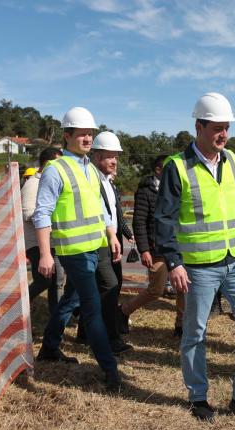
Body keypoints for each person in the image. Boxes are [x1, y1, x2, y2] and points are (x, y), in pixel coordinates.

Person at [154, 92, 235, 423]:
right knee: (195, 332)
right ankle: (198, 396)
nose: (223, 135)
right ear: (199, 127)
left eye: (227, 128)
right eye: (217, 128)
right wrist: (174, 262)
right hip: (199, 267)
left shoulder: (233, 161)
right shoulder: (177, 167)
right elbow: (163, 220)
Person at [32, 106, 123, 392]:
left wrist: (112, 235)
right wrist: (46, 254)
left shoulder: (91, 170)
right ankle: (109, 368)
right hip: (74, 252)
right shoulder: (55, 170)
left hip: (95, 248)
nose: (87, 138)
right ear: (67, 135)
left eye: (90, 134)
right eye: (81, 133)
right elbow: (42, 213)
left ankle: (49, 347)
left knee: (71, 300)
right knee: (92, 308)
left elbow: (102, 208)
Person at [118, 154, 185, 337]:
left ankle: (181, 325)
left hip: (177, 245)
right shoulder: (146, 190)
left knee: (183, 287)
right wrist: (145, 250)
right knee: (156, 290)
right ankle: (123, 311)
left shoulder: (176, 189)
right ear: (158, 170)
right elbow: (139, 221)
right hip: (156, 248)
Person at [89, 131, 133, 354]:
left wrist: (125, 233)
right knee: (109, 287)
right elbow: (99, 213)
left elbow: (115, 212)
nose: (114, 161)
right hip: (100, 242)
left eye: (116, 156)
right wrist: (110, 236)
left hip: (113, 241)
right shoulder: (91, 180)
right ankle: (110, 338)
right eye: (109, 156)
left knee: (110, 286)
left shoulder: (108, 182)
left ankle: (85, 333)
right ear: (96, 157)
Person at [21, 147, 63, 318]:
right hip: (36, 242)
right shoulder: (33, 184)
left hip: (52, 241)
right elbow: (28, 213)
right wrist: (51, 222)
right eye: (58, 163)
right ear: (47, 163)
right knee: (45, 280)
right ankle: (23, 303)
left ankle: (57, 315)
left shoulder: (52, 181)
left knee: (57, 281)